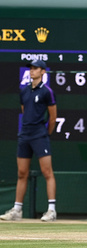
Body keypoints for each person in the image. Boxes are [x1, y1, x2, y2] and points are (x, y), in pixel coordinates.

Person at [0, 60, 57, 222]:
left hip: (40, 135)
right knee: (21, 173)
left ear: (43, 72)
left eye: (35, 68)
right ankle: (17, 210)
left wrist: (45, 134)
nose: (32, 71)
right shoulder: (24, 91)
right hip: (25, 135)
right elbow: (25, 112)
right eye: (31, 69)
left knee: (47, 172)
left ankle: (51, 210)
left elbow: (53, 117)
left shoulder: (47, 92)